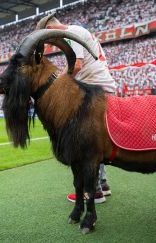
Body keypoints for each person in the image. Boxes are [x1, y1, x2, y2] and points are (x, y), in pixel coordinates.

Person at [36, 13, 116, 204]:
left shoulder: (73, 32)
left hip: (95, 90)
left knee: (87, 142)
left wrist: (56, 83)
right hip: (100, 88)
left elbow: (77, 65)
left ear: (50, 30)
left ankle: (94, 191)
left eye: (47, 40)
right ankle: (102, 184)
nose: (50, 45)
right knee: (96, 140)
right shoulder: (78, 32)